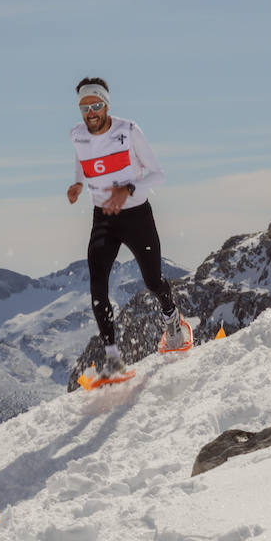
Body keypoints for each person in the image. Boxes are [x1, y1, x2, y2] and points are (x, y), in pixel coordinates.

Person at [66, 77, 186, 380]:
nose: (91, 111)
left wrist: (127, 189)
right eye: (85, 107)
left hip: (136, 216)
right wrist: (79, 184)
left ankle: (172, 318)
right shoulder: (77, 135)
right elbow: (83, 161)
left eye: (96, 105)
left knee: (153, 281)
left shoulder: (129, 131)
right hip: (103, 218)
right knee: (97, 286)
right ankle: (112, 358)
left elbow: (158, 175)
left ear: (106, 105)